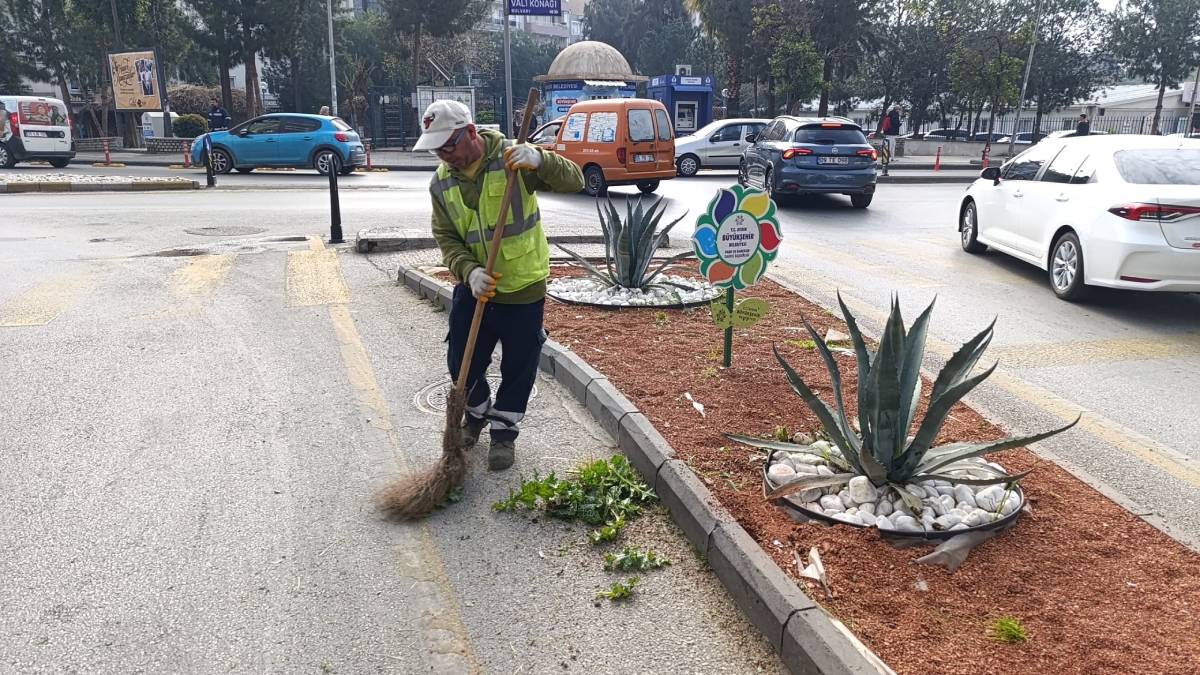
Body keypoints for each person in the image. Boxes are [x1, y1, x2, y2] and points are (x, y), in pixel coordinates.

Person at [418, 99, 584, 470]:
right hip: (475, 288)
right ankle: (474, 414)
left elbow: (575, 180)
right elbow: (446, 237)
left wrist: (543, 159)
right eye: (436, 149)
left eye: (449, 145)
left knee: (518, 367)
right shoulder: (441, 182)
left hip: (523, 288)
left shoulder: (514, 161)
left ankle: (504, 433)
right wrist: (468, 271)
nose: (445, 156)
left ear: (472, 133)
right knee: (461, 359)